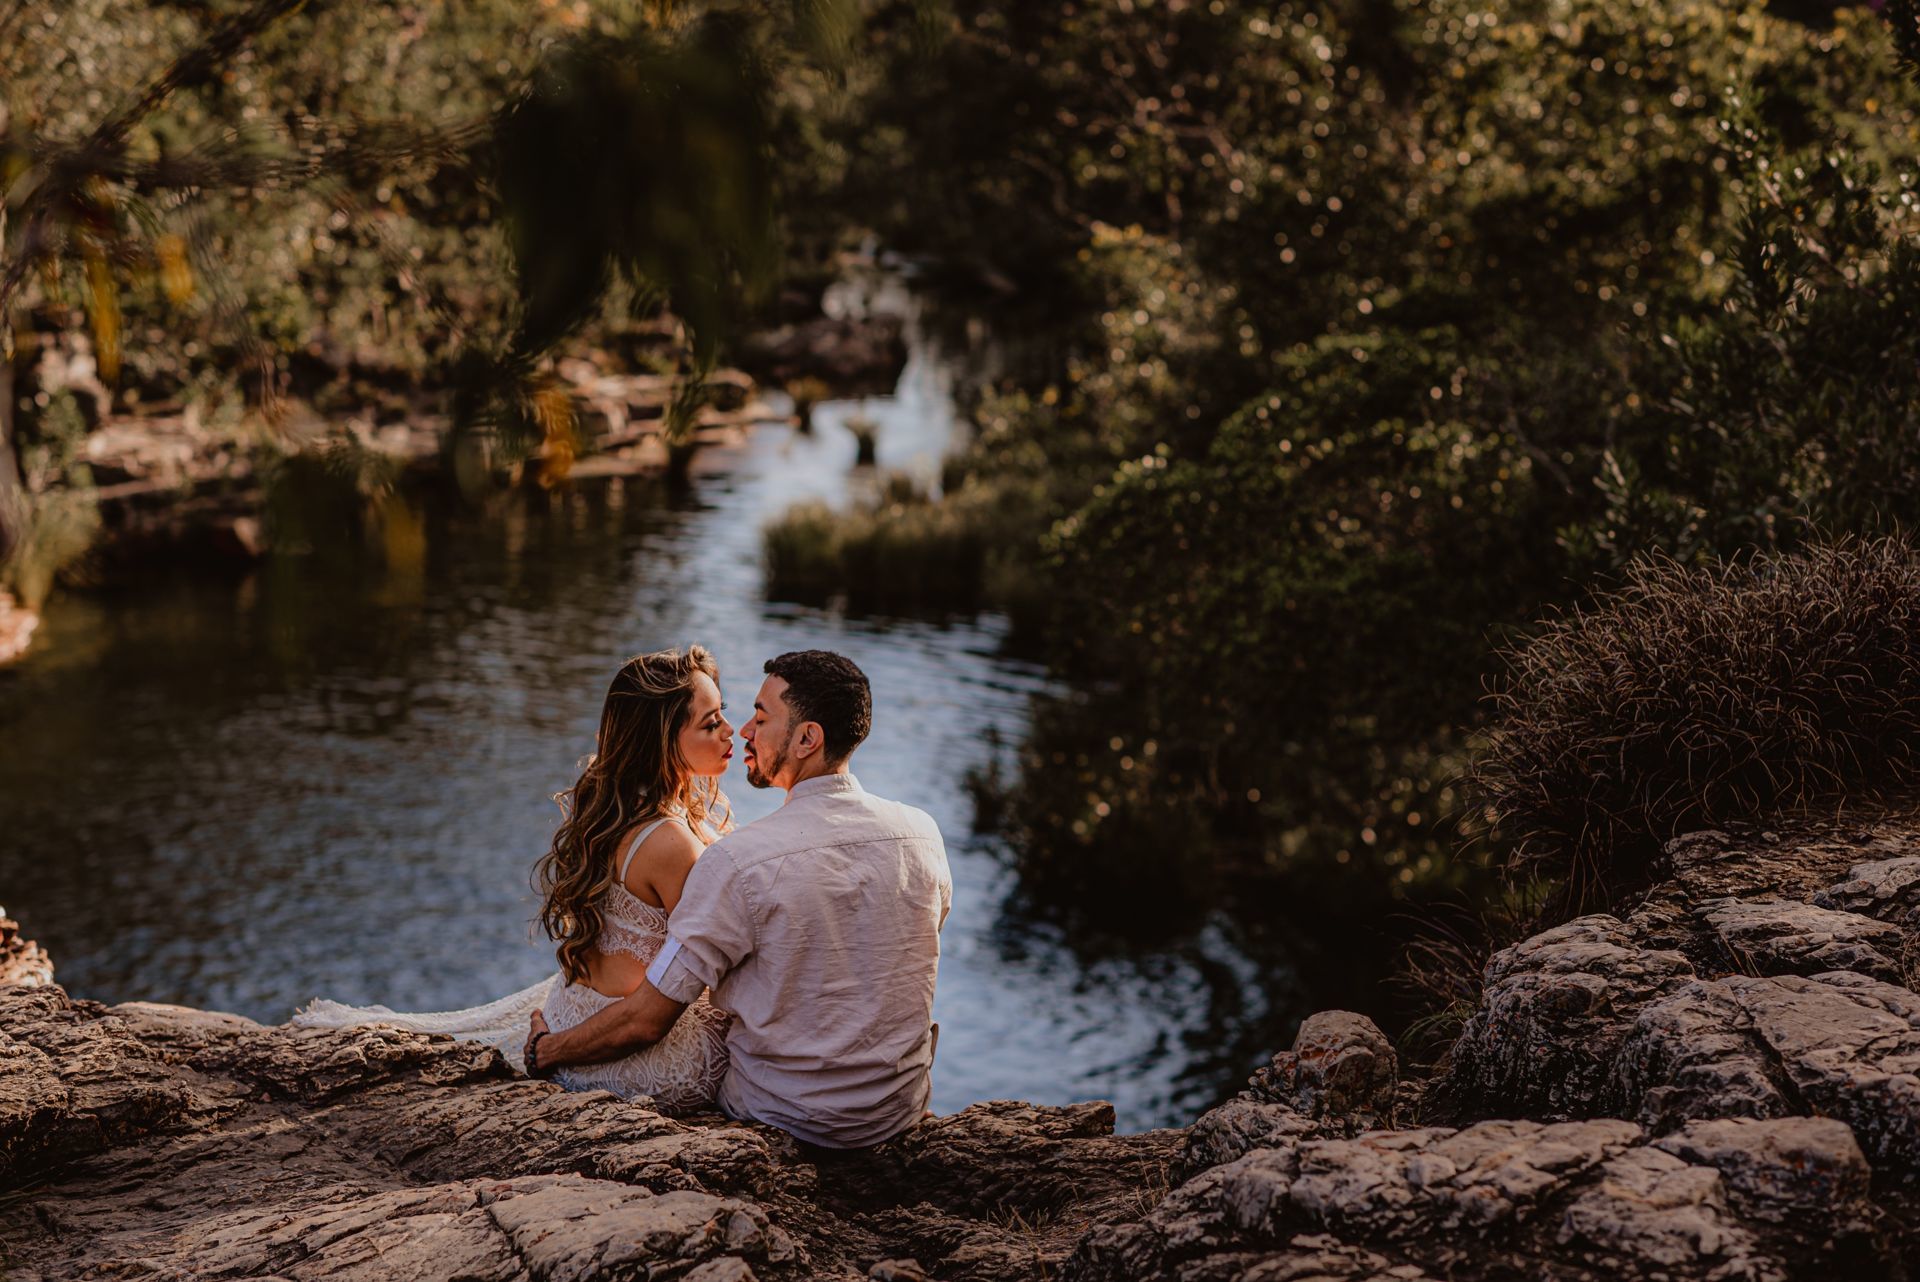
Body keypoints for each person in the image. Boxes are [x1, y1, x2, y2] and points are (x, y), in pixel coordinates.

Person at [524, 649, 951, 1149]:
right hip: (896, 1112)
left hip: (780, 1115)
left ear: (807, 738)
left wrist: (545, 1051)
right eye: (726, 717)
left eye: (760, 718)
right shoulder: (922, 834)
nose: (743, 730)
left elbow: (646, 1019)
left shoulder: (738, 863)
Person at [295, 645, 735, 1112]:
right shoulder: (670, 843)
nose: (731, 731)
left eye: (722, 714)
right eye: (710, 724)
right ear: (661, 742)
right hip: (636, 1056)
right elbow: (679, 994)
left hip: (572, 1013)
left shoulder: (615, 807)